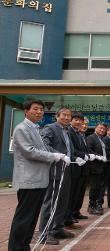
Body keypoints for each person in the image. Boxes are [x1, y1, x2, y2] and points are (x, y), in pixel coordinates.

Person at [8, 99, 66, 251]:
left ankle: (24, 246)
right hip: (29, 180)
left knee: (32, 218)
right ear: (26, 111)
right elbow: (29, 151)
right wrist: (53, 157)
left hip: (39, 180)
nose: (39, 112)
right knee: (24, 217)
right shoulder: (21, 129)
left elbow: (44, 149)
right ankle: (16, 247)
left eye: (41, 109)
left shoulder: (36, 129)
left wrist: (56, 154)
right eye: (35, 109)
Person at [39, 107, 75, 244]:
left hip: (66, 170)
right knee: (50, 202)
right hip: (54, 169)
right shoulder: (50, 128)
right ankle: (44, 234)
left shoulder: (67, 131)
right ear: (57, 116)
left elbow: (69, 149)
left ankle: (57, 229)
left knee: (62, 201)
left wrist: (75, 157)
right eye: (64, 115)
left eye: (68, 116)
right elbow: (43, 145)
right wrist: (57, 155)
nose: (66, 118)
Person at [65, 112, 88, 228]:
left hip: (81, 166)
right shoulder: (69, 132)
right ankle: (68, 216)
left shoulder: (79, 134)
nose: (79, 122)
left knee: (78, 192)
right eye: (76, 120)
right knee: (72, 193)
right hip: (73, 165)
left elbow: (81, 149)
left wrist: (86, 155)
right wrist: (83, 155)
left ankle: (74, 212)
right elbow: (72, 150)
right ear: (71, 121)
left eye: (81, 121)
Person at [86, 123, 108, 215]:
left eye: (104, 129)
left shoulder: (101, 139)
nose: (102, 130)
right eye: (100, 128)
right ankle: (91, 206)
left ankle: (96, 205)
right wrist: (98, 156)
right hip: (94, 166)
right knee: (94, 187)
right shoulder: (91, 138)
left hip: (102, 166)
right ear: (96, 128)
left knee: (99, 187)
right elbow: (89, 150)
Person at [72, 117, 91, 220]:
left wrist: (89, 155)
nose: (84, 126)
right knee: (74, 192)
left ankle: (76, 211)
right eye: (82, 124)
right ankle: (71, 213)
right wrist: (84, 155)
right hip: (76, 167)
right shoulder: (74, 135)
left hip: (84, 168)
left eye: (86, 125)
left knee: (81, 192)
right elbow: (73, 150)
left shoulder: (83, 136)